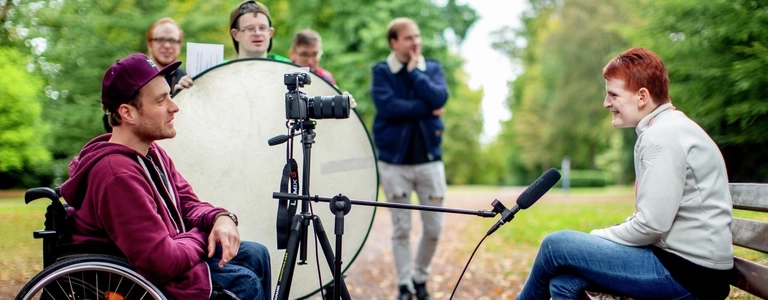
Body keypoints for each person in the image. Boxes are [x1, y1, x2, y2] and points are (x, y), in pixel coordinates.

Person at [515, 47, 734, 300]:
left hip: (689, 276)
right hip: (682, 266)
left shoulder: (663, 136)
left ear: (642, 96)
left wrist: (598, 238)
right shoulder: (665, 128)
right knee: (564, 283)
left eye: (613, 95)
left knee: (556, 246)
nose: (606, 103)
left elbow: (652, 225)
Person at [60, 53, 272, 300]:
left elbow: (187, 203)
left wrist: (221, 218)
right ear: (128, 113)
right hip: (139, 283)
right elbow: (160, 261)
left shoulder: (151, 152)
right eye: (161, 100)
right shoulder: (116, 174)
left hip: (171, 257)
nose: (174, 106)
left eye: (170, 95)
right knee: (245, 284)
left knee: (257, 253)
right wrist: (203, 235)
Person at [370, 17, 448, 300]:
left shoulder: (432, 69)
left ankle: (419, 278)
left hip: (430, 162)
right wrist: (427, 109)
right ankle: (404, 286)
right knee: (401, 228)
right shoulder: (381, 72)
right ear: (393, 42)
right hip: (394, 164)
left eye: (417, 36)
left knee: (434, 227)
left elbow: (440, 97)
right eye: (408, 38)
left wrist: (416, 74)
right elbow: (388, 107)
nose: (415, 42)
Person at [103, 17, 192, 133]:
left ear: (180, 46)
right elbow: (111, 121)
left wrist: (186, 98)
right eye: (160, 40)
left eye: (173, 40)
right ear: (150, 45)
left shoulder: (188, 80)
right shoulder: (132, 74)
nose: (167, 45)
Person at [289, 28, 357, 109]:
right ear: (292, 54)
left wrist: (344, 102)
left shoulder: (325, 77)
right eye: (304, 54)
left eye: (315, 55)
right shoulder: (282, 76)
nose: (310, 61)